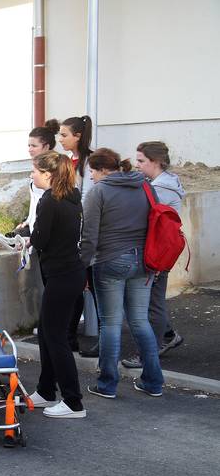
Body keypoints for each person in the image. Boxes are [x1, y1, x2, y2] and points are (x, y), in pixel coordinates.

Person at [81, 148, 164, 399]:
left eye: (93, 171)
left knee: (111, 323)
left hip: (110, 261)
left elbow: (89, 237)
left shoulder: (99, 192)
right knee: (140, 320)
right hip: (143, 261)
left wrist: (82, 268)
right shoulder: (146, 186)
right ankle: (153, 381)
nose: (92, 177)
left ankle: (107, 384)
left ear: (104, 170)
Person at [27, 152, 87, 418]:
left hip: (62, 275)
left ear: (48, 175)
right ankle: (45, 390)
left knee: (55, 336)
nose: (32, 175)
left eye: (35, 172)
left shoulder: (49, 200)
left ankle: (73, 402)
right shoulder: (72, 198)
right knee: (48, 333)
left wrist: (27, 239)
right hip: (69, 273)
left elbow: (40, 239)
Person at [121, 141, 185, 369]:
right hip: (158, 249)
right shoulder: (157, 183)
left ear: (156, 162)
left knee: (150, 304)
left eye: (141, 161)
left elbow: (142, 217)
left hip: (157, 252)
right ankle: (166, 336)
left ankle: (148, 352)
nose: (137, 165)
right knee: (146, 301)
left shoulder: (161, 189)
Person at [59, 116, 98, 357]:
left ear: (78, 136)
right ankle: (69, 336)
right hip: (73, 233)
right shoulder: (67, 160)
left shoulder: (88, 161)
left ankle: (105, 342)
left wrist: (77, 227)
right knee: (75, 288)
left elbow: (86, 198)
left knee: (94, 287)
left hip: (85, 234)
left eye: (64, 135)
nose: (60, 139)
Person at [13, 119, 61, 237]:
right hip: (36, 228)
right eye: (29, 145)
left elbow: (50, 203)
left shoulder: (55, 168)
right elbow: (35, 201)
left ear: (46, 147)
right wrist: (28, 221)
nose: (30, 149)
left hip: (49, 231)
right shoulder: (37, 165)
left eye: (34, 146)